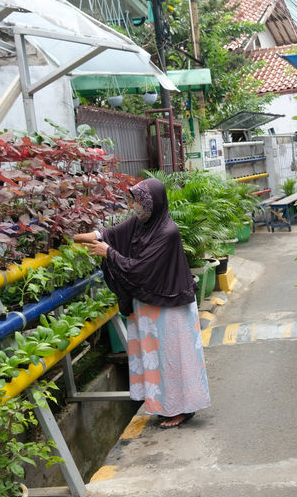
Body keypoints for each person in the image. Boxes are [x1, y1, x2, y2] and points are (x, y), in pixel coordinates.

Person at [74, 178, 210, 428]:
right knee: (156, 359)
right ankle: (166, 406)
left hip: (170, 308)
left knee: (173, 358)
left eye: (139, 201)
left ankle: (181, 409)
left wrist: (108, 253)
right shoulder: (142, 222)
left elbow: (140, 269)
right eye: (134, 200)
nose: (134, 206)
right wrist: (80, 236)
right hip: (149, 307)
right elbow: (111, 233)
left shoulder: (167, 232)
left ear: (153, 203)